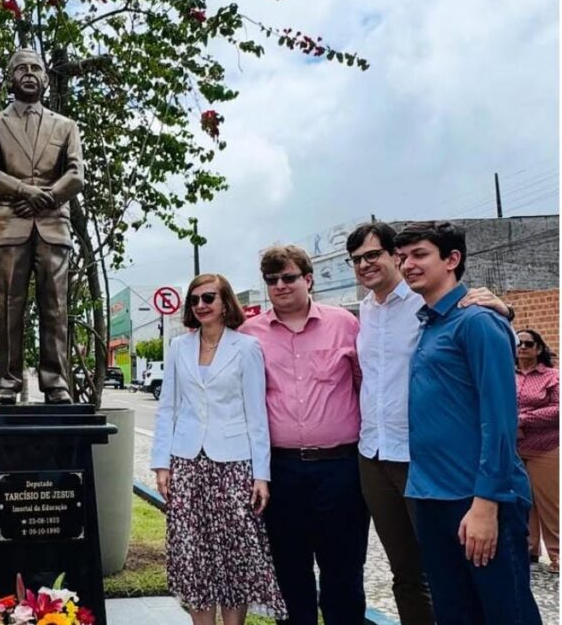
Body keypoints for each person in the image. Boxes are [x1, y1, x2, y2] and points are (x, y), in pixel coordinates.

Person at [345, 221, 513, 625]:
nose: (366, 265)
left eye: (375, 255)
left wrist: (505, 309)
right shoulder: (360, 314)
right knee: (408, 572)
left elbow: (484, 349)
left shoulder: (428, 303)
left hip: (424, 459)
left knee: (470, 577)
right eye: (356, 260)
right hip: (373, 453)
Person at [395, 221, 540, 624]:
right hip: (433, 495)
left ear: (452, 259)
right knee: (455, 612)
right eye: (403, 256)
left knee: (504, 611)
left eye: (419, 254)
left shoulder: (477, 322)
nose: (407, 265)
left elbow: (500, 419)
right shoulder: (431, 323)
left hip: (477, 497)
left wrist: (486, 503)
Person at [239, 245, 368, 625]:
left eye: (289, 277)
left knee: (344, 573)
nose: (280, 285)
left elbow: (364, 386)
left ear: (308, 279)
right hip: (281, 472)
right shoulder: (249, 335)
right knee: (289, 575)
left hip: (341, 469)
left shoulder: (345, 324)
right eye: (272, 280)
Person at [151, 274, 286, 625]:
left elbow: (257, 414)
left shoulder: (247, 348)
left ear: (225, 302)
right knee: (193, 555)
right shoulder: (179, 347)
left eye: (208, 297)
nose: (200, 305)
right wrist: (161, 464)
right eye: (194, 300)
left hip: (234, 465)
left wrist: (261, 475)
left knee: (233, 555)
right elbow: (168, 408)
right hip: (187, 463)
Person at [0, 48, 84, 404]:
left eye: (35, 68)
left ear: (45, 77)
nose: (28, 73)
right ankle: (7, 383)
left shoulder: (66, 126)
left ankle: (56, 383)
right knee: (9, 306)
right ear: (10, 78)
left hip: (54, 224)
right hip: (11, 225)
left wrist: (47, 198)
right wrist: (27, 191)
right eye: (20, 68)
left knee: (56, 306)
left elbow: (75, 174)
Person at [515, 328, 559, 573]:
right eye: (518, 343)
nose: (522, 347)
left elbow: (558, 409)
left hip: (545, 448)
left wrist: (523, 419)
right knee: (523, 501)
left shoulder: (552, 377)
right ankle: (530, 549)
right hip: (516, 448)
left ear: (539, 348)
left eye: (528, 344)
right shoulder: (507, 374)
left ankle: (557, 554)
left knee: (550, 503)